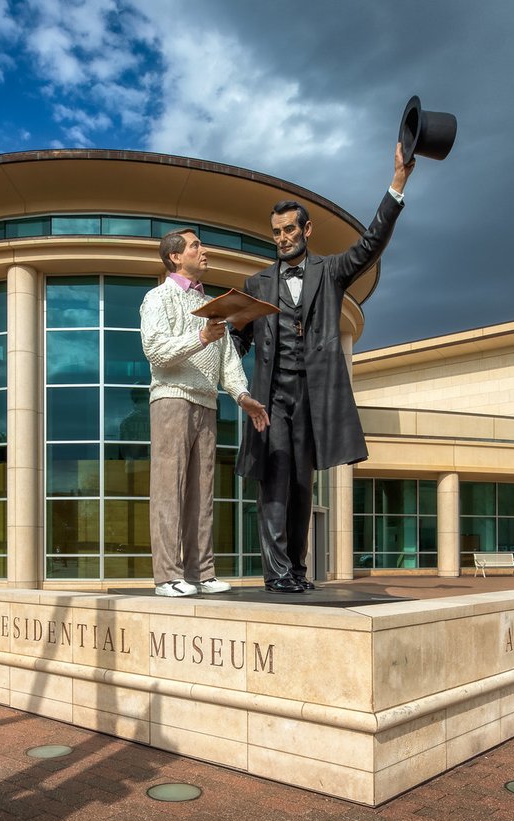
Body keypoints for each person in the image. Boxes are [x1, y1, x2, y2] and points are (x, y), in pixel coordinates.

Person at [233, 142, 416, 593]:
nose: (282, 238)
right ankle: (276, 574)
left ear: (306, 229)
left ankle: (296, 569)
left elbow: (371, 244)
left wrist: (397, 183)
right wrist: (221, 344)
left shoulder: (330, 271)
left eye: (289, 229)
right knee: (273, 485)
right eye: (276, 232)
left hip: (312, 396)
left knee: (300, 486)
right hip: (271, 397)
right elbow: (237, 342)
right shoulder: (256, 284)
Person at [141, 229, 269, 597]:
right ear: (175, 257)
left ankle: (201, 572)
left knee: (202, 491)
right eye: (196, 245)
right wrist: (200, 338)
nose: (204, 250)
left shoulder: (212, 305)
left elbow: (227, 358)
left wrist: (242, 394)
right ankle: (167, 576)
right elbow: (156, 350)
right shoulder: (158, 298)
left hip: (207, 403)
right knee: (169, 489)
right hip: (171, 399)